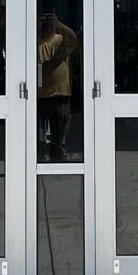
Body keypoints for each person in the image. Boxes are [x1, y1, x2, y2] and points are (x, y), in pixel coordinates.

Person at [38, 9, 80, 162]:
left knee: (60, 125)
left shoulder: (59, 38)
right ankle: (40, 153)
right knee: (39, 126)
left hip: (60, 92)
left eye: (48, 22)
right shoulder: (34, 40)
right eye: (43, 21)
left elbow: (73, 39)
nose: (46, 25)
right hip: (40, 92)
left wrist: (58, 24)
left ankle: (59, 154)